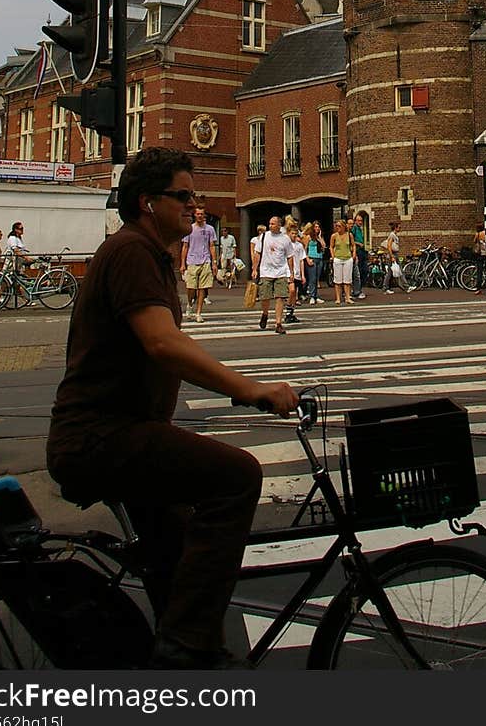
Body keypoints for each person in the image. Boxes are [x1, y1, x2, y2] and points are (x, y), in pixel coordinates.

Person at [45, 146, 297, 670]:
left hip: (117, 431)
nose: (194, 205)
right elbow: (161, 342)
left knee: (177, 551)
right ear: (146, 202)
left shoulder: (150, 254)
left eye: (194, 195)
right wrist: (249, 388)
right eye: (182, 196)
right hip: (104, 434)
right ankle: (185, 647)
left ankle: (177, 657)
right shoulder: (132, 251)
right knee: (236, 477)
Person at [255, 215, 295, 334]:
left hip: (281, 271)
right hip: (265, 271)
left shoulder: (285, 239)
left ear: (279, 225)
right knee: (265, 297)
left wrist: (291, 272)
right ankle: (265, 313)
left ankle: (278, 323)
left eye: (273, 224)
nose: (270, 226)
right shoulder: (264, 236)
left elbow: (290, 256)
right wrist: (254, 268)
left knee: (280, 297)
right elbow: (257, 253)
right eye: (270, 223)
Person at [180, 205, 217, 323]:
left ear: (204, 215)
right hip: (191, 261)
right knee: (191, 287)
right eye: (198, 214)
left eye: (202, 214)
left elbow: (212, 246)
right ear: (195, 215)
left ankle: (198, 312)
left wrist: (214, 262)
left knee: (202, 288)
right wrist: (182, 264)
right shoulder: (189, 229)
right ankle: (190, 304)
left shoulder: (210, 229)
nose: (200, 216)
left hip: (205, 260)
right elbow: (185, 246)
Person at [284, 225, 306, 324]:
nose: (294, 235)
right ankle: (288, 313)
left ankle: (291, 313)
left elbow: (301, 260)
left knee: (295, 294)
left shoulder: (299, 245)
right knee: (291, 291)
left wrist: (303, 274)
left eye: (295, 234)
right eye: (292, 233)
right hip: (288, 272)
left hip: (297, 271)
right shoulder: (286, 245)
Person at [330, 219, 355, 305]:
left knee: (347, 280)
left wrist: (353, 254)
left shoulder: (349, 235)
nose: (338, 228)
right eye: (336, 226)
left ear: (344, 227)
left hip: (347, 258)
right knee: (338, 280)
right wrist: (333, 256)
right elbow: (331, 246)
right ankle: (338, 298)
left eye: (339, 226)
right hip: (338, 258)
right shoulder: (334, 236)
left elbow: (353, 245)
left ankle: (347, 297)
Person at [302, 221, 325, 304]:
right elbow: (304, 249)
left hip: (319, 258)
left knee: (317, 279)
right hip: (312, 258)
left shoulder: (319, 237)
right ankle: (312, 296)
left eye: (318, 227)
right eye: (315, 227)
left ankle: (316, 295)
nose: (317, 228)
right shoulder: (308, 237)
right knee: (312, 278)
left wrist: (319, 237)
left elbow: (323, 246)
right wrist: (307, 259)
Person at [382, 221, 407, 292]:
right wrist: (392, 256)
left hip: (395, 254)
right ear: (395, 228)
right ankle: (405, 286)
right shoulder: (392, 235)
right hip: (393, 254)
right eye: (399, 227)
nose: (400, 229)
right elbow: (389, 246)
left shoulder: (394, 235)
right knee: (393, 272)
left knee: (391, 272)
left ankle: (386, 287)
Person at [349, 212, 369, 300]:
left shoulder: (361, 229)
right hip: (357, 251)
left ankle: (358, 289)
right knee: (358, 272)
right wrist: (358, 244)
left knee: (364, 271)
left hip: (362, 251)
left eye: (361, 220)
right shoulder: (354, 229)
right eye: (359, 220)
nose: (360, 222)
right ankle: (357, 290)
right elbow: (350, 239)